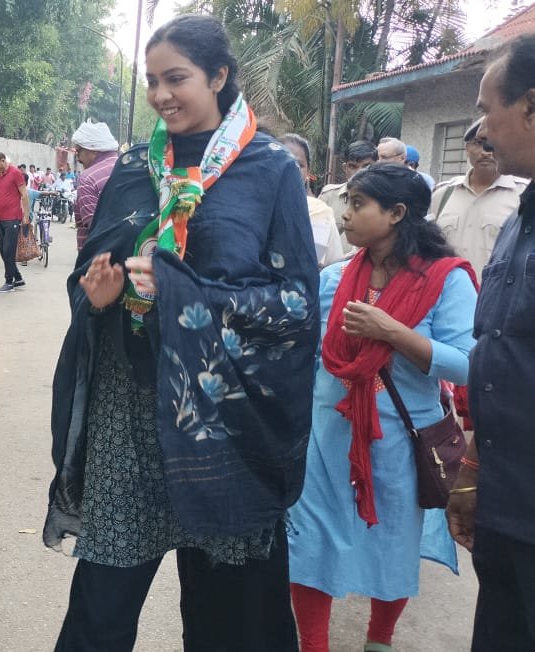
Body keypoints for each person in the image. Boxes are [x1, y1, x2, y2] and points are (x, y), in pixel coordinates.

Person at [48, 15, 319, 651]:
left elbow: (297, 304)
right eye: (151, 81)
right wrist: (99, 296)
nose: (161, 95)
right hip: (128, 415)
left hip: (221, 421)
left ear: (219, 77)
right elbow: (91, 272)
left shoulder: (269, 170)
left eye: (176, 79)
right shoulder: (133, 168)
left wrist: (186, 295)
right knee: (102, 605)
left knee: (231, 615)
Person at [287, 162, 476, 652]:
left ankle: (380, 641)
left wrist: (392, 332)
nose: (344, 215)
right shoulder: (334, 278)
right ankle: (313, 645)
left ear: (396, 213)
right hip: (326, 437)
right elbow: (310, 356)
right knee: (309, 544)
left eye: (357, 204)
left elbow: (468, 365)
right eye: (345, 202)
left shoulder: (446, 280)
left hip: (397, 445)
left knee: (391, 546)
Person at [449, 33, 535, 651]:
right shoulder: (520, 220)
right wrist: (475, 466)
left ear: (531, 106)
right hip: (507, 506)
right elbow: (502, 351)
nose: (480, 130)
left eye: (487, 109)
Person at [431, 117, 526, 274]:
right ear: (467, 149)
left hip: (493, 288)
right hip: (448, 287)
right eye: (477, 143)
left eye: (492, 144)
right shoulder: (443, 194)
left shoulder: (522, 195)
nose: (485, 152)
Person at [279, 133, 345, 267]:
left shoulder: (321, 213)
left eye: (299, 164)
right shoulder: (255, 207)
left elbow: (334, 267)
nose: (292, 168)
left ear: (308, 171)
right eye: (284, 161)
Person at [70, 120, 120, 251]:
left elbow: (96, 229)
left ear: (92, 149)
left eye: (78, 151)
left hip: (99, 257)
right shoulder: (128, 169)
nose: (78, 158)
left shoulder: (88, 179)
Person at [0, 151, 29, 293]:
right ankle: (18, 278)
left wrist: (26, 216)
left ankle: (9, 281)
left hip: (13, 218)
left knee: (8, 251)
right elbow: (0, 198)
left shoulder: (15, 173)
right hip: (1, 218)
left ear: (3, 160)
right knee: (3, 251)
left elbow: (24, 195)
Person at [320, 140, 378, 233]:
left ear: (377, 167)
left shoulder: (384, 200)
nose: (359, 172)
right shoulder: (329, 196)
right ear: (345, 168)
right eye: (353, 166)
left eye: (366, 167)